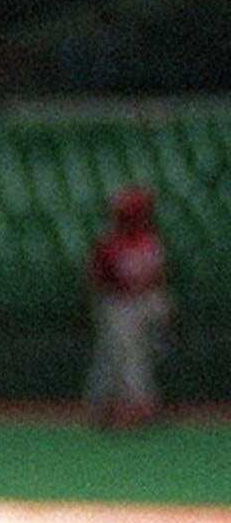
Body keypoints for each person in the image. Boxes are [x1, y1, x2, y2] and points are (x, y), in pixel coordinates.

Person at [85, 181, 169, 426]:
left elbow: (157, 279)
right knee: (122, 348)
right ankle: (131, 404)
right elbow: (98, 281)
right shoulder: (109, 244)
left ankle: (114, 404)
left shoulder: (151, 242)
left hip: (144, 302)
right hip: (117, 304)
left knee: (123, 351)